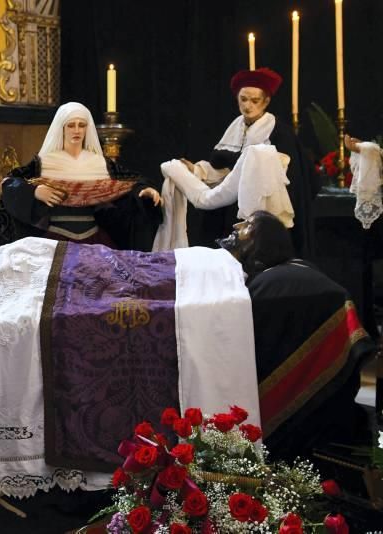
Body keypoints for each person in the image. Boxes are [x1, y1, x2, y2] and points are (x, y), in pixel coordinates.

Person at [218, 210, 375, 459]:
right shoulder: (276, 273)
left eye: (247, 225)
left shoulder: (273, 283)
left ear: (264, 240)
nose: (237, 226)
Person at [154, 68, 320, 257]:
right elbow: (224, 168)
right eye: (243, 99)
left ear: (266, 101)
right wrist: (198, 169)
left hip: (259, 207)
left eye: (255, 100)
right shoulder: (236, 126)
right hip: (228, 206)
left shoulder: (279, 133)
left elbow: (288, 178)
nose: (248, 105)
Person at [0, 102, 162, 250]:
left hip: (95, 241)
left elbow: (129, 182)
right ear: (61, 128)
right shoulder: (45, 162)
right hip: (55, 241)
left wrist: (143, 190)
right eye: (71, 125)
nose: (77, 130)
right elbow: (10, 183)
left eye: (81, 125)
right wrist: (34, 191)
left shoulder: (100, 163)